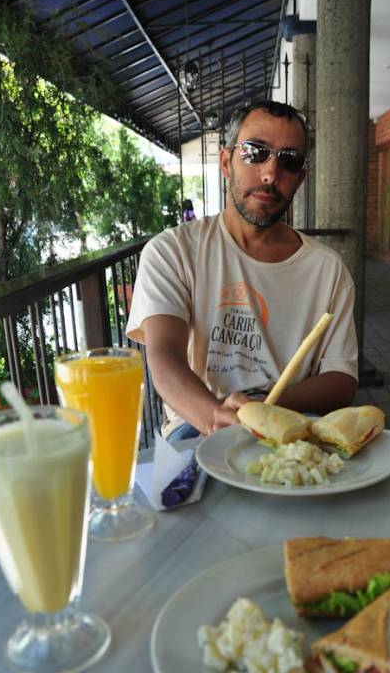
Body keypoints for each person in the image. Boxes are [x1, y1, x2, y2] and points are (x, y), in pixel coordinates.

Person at [126, 100, 358, 439]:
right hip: (195, 426)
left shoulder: (328, 271)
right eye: (255, 152)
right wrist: (217, 417)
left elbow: (343, 378)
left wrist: (265, 405)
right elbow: (164, 357)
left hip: (290, 423)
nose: (270, 174)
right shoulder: (173, 251)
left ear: (301, 177)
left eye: (289, 161)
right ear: (225, 162)